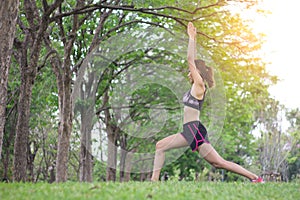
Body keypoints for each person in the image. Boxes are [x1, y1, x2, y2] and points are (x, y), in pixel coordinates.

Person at [150, 22, 264, 183]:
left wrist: (190, 39)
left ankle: (255, 178)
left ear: (197, 73)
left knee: (219, 163)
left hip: (194, 131)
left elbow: (191, 60)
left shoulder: (199, 86)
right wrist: (194, 40)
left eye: (191, 71)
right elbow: (193, 60)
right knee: (160, 146)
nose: (189, 73)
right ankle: (153, 181)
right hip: (189, 131)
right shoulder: (194, 87)